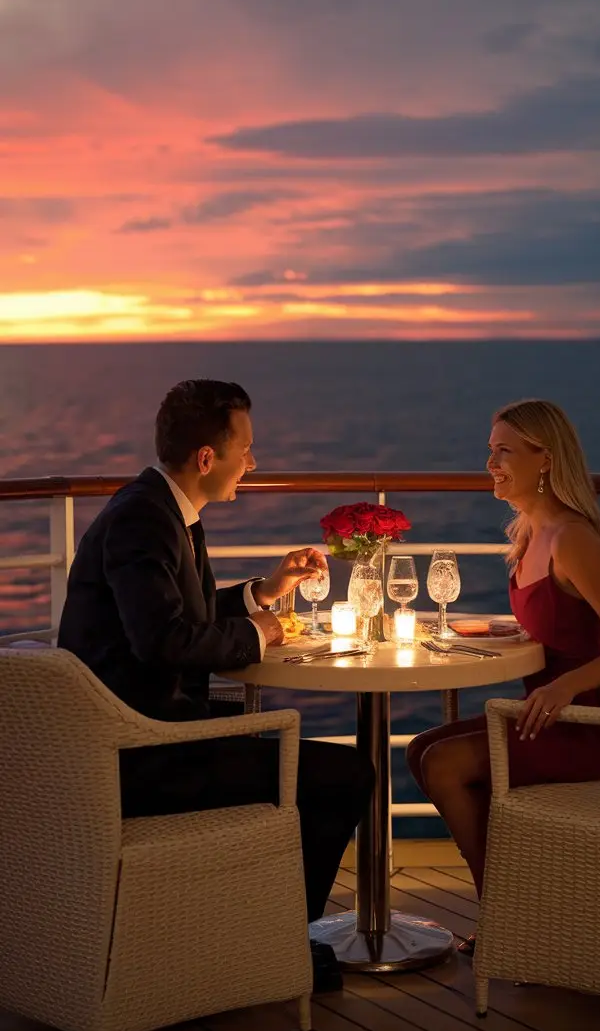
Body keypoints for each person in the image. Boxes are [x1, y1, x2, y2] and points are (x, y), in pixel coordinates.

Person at [59, 379, 374, 984]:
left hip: (149, 734)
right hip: (139, 755)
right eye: (246, 450)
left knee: (311, 762)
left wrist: (264, 595)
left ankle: (264, 928)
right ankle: (282, 942)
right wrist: (261, 634)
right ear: (208, 458)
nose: (252, 463)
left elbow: (178, 619)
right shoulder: (142, 522)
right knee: (345, 775)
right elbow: (164, 642)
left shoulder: (164, 510)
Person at [407, 399, 600, 945]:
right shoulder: (528, 532)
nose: (491, 463)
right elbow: (561, 624)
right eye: (490, 451)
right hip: (543, 716)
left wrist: (566, 683)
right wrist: (512, 634)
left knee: (445, 765)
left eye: (505, 452)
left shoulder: (572, 539)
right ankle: (515, 900)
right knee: (419, 749)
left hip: (590, 724)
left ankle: (504, 918)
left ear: (545, 459)